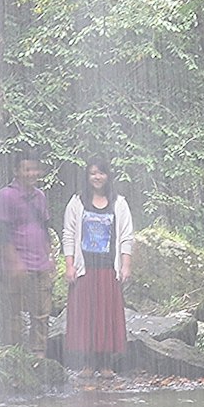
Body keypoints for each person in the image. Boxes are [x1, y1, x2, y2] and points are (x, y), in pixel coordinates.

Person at [60, 159, 136, 375]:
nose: (97, 177)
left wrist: (125, 265)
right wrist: (69, 265)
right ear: (87, 176)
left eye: (101, 173)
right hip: (85, 269)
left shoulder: (119, 203)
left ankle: (105, 364)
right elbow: (68, 233)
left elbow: (126, 236)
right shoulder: (77, 202)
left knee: (106, 315)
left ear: (108, 176)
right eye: (93, 173)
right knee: (86, 316)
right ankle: (88, 363)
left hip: (108, 269)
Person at [0, 152, 56, 348]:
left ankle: (39, 356)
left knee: (42, 314)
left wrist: (50, 256)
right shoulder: (5, 196)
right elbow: (3, 232)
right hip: (17, 263)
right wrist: (14, 261)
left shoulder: (40, 196)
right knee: (14, 312)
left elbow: (44, 227)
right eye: (27, 169)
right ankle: (15, 356)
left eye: (35, 169)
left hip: (40, 263)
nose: (32, 173)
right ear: (16, 171)